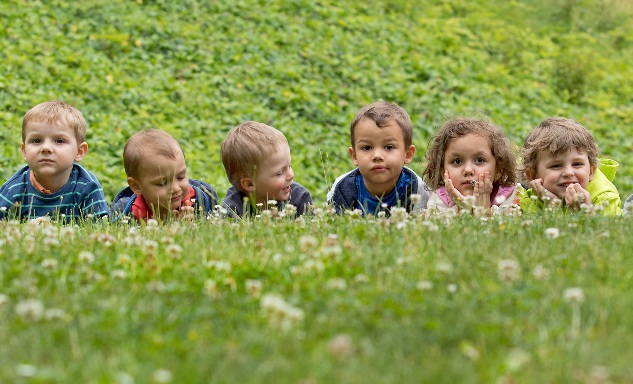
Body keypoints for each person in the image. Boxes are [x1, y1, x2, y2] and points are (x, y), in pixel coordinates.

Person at [0, 100, 108, 220]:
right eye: (36, 140)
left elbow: (99, 227)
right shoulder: (14, 189)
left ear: (79, 151)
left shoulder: (87, 186)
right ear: (24, 151)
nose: (46, 148)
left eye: (59, 141)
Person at [327, 101, 429, 216]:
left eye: (389, 147)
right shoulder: (342, 188)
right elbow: (337, 226)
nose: (377, 156)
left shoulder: (416, 189)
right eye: (367, 147)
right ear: (354, 155)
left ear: (408, 154)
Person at [518, 117, 622, 215]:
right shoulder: (531, 200)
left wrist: (585, 214)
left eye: (577, 164)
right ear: (532, 175)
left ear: (591, 171)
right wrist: (552, 208)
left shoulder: (605, 199)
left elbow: (608, 233)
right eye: (556, 166)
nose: (568, 172)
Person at [110, 129, 219, 222]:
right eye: (163, 183)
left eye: (180, 177)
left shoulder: (201, 198)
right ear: (136, 186)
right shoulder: (125, 213)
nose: (176, 188)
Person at [422, 118, 519, 213]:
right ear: (443, 172)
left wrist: (484, 211)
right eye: (457, 161)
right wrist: (462, 209)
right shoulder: (438, 201)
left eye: (479, 160)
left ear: (498, 169)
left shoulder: (509, 198)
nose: (468, 170)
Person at [220, 121, 312, 218]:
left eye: (289, 166)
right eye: (279, 173)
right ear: (249, 184)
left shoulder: (299, 198)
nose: (291, 175)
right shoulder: (231, 210)